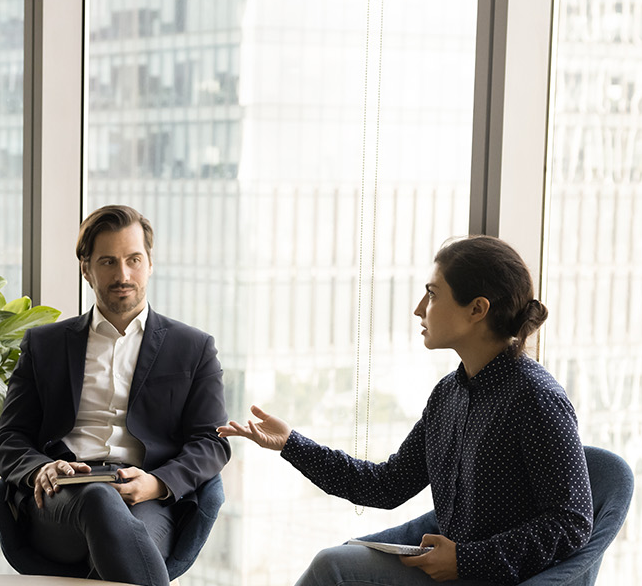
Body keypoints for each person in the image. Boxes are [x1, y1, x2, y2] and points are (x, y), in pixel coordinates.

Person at [219, 235, 593, 585]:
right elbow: (386, 486)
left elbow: (573, 522)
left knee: (330, 568)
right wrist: (290, 443)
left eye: (432, 294)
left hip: (496, 576)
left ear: (477, 309)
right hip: (452, 566)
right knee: (336, 561)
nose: (419, 309)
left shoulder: (535, 398)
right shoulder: (448, 394)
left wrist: (466, 559)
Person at [0, 205, 230, 586]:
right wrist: (41, 469)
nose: (123, 275)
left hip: (146, 500)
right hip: (61, 502)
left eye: (134, 259)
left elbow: (212, 442)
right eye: (108, 262)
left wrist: (158, 483)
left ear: (150, 263)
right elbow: (8, 438)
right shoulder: (45, 345)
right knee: (97, 498)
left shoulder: (193, 347)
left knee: (120, 549)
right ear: (86, 269)